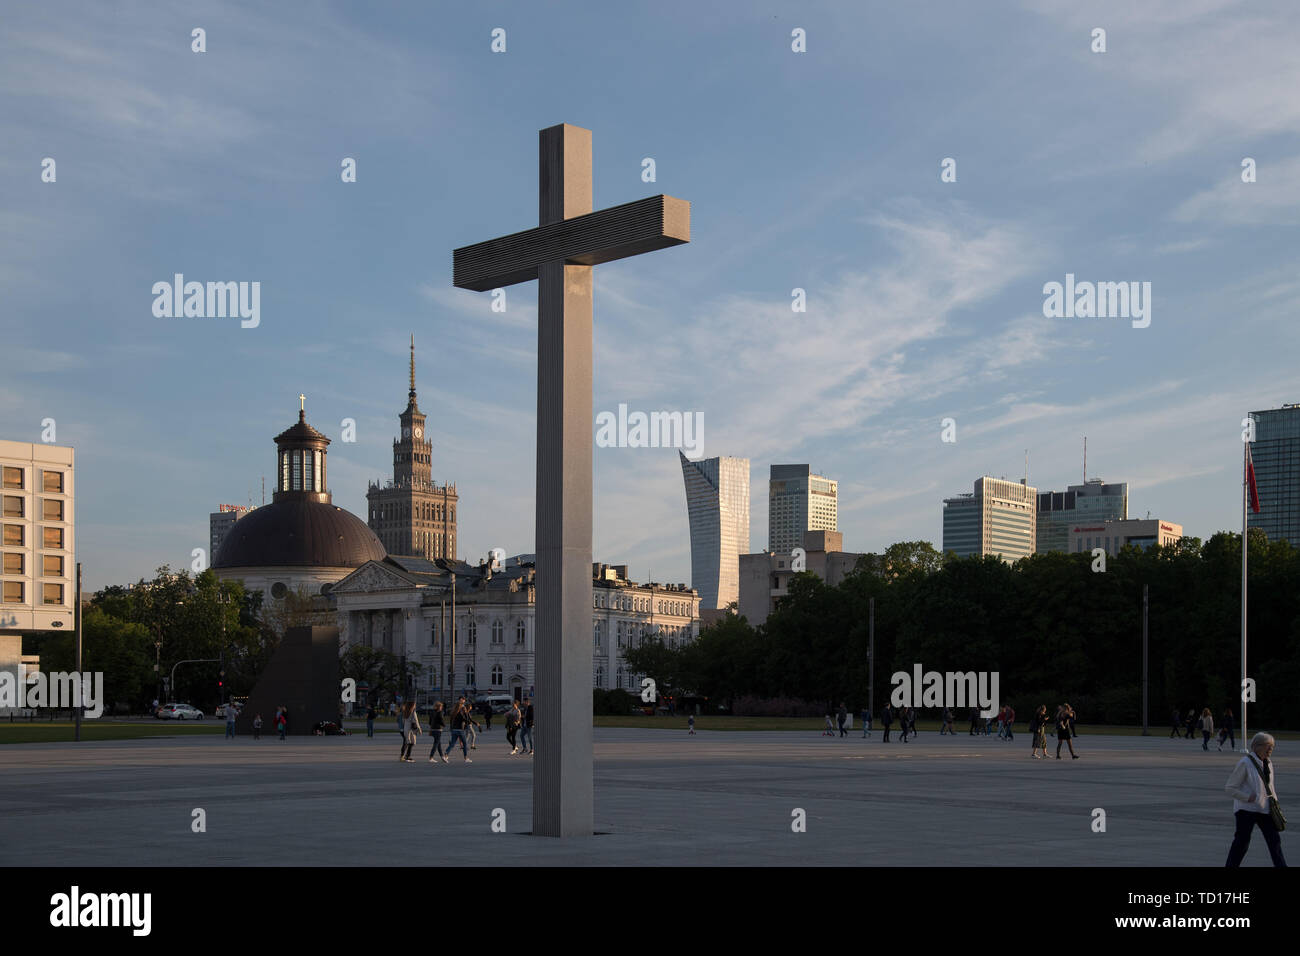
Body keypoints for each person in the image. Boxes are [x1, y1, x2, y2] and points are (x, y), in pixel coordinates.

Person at [1224, 732, 1287, 867]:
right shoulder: (1245, 763)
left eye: (1272, 746)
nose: (1270, 749)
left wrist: (1275, 803)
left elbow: (1270, 787)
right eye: (1267, 746)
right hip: (1246, 810)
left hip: (1265, 809)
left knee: (1274, 841)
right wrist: (1247, 797)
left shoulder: (1268, 763)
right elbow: (1230, 788)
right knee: (1242, 842)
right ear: (1257, 746)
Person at [445, 698, 472, 762]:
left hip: (454, 730)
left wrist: (451, 728)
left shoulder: (453, 713)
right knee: (465, 744)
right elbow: (465, 720)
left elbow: (451, 721)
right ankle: (466, 758)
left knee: (452, 744)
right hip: (460, 730)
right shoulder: (460, 713)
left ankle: (445, 755)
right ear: (460, 707)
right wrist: (466, 714)